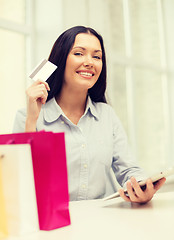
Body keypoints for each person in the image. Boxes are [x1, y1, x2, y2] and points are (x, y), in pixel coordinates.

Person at [13, 26, 166, 203]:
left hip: (100, 221)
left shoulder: (107, 115)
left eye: (97, 56)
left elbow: (128, 170)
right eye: (79, 53)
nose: (89, 62)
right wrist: (32, 120)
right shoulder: (26, 117)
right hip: (52, 224)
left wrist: (141, 186)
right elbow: (20, 181)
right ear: (61, 60)